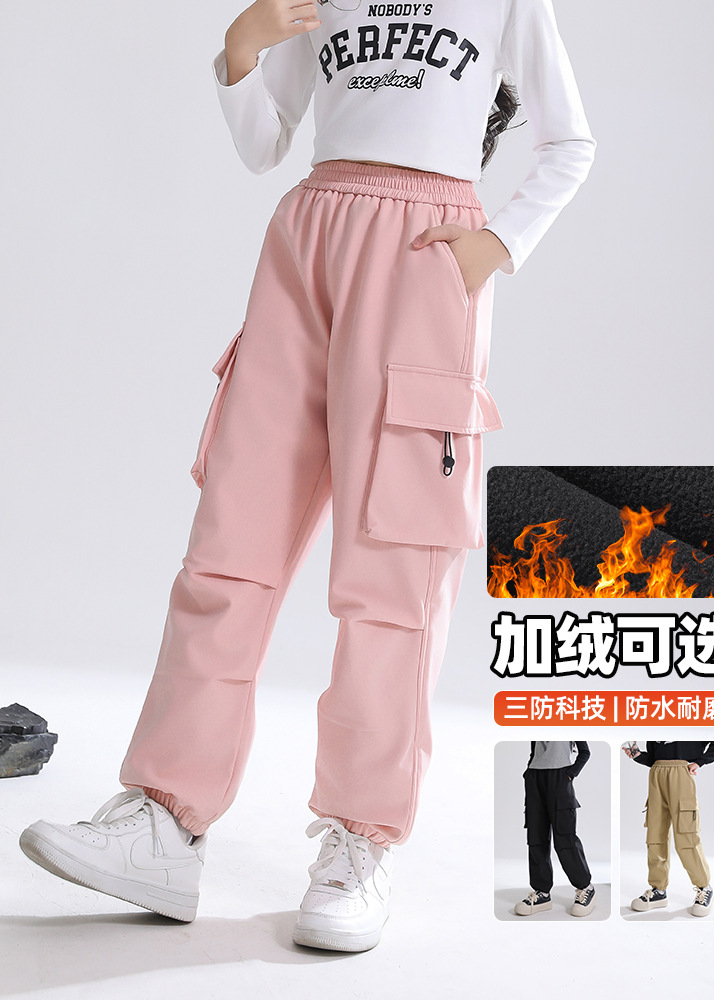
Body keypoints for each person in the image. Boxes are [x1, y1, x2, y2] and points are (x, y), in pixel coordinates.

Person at [19, 0, 595, 952]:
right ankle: (164, 821)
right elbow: (265, 144)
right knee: (230, 542)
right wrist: (241, 50)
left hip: (425, 255)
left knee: (393, 570)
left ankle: (361, 840)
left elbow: (570, 142)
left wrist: (498, 244)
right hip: (305, 238)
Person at [623, 740, 714, 917]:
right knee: (655, 836)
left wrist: (700, 761)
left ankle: (704, 887)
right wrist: (639, 756)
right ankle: (659, 890)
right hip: (657, 773)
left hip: (681, 772)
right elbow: (654, 757)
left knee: (686, 836)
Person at [514, 741, 596, 917]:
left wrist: (570, 774)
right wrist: (529, 771)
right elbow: (535, 750)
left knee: (565, 839)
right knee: (536, 837)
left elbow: (585, 752)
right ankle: (542, 893)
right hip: (535, 778)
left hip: (560, 777)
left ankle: (585, 887)